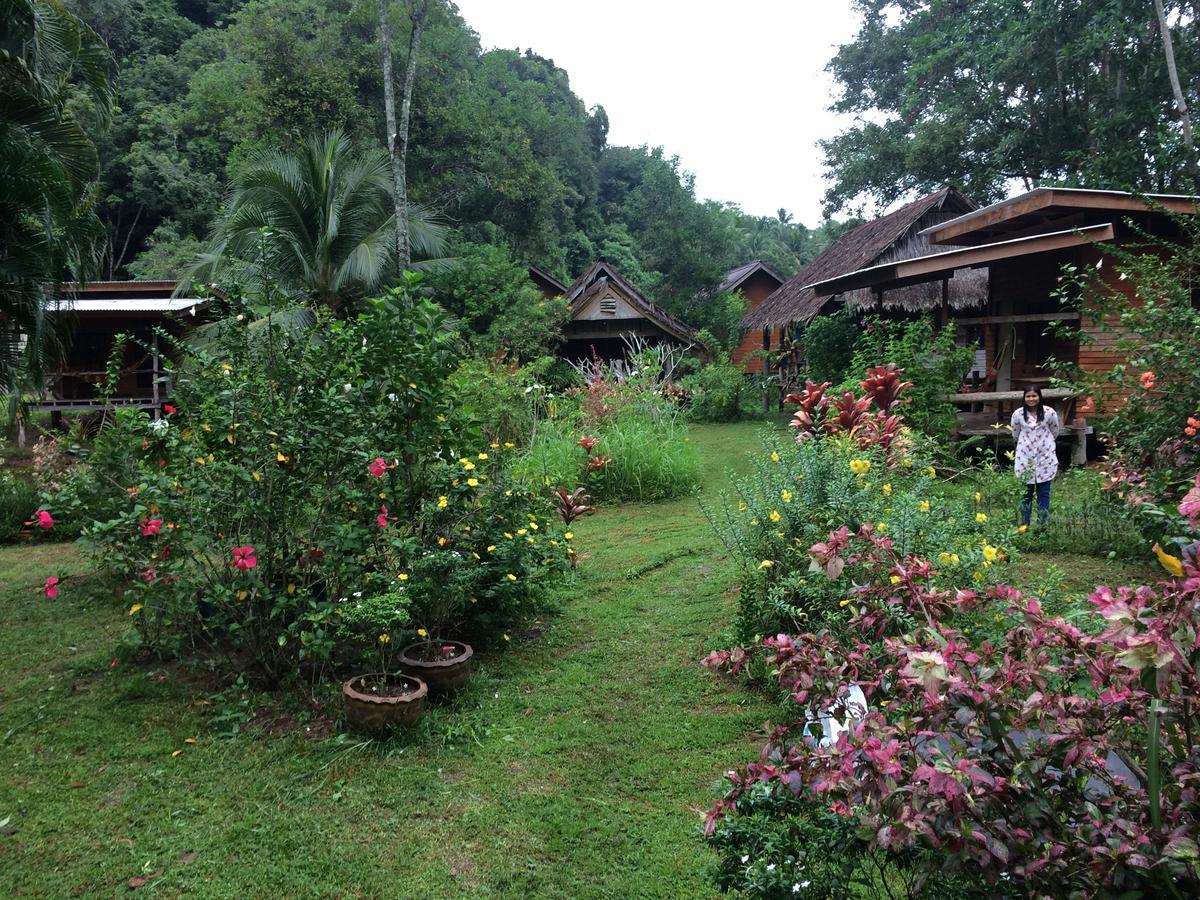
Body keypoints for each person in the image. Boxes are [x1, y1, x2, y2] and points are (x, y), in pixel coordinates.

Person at [1010, 386, 1060, 525]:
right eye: (1028, 396)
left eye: (1034, 396)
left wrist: (1045, 443)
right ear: (1024, 398)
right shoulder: (1018, 414)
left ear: (1039, 397)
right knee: (1025, 494)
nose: (1031, 399)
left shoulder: (1049, 412)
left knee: (1043, 493)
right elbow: (1015, 433)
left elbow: (1055, 430)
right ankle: (1024, 526)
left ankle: (1041, 526)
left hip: (1045, 457)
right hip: (1025, 458)